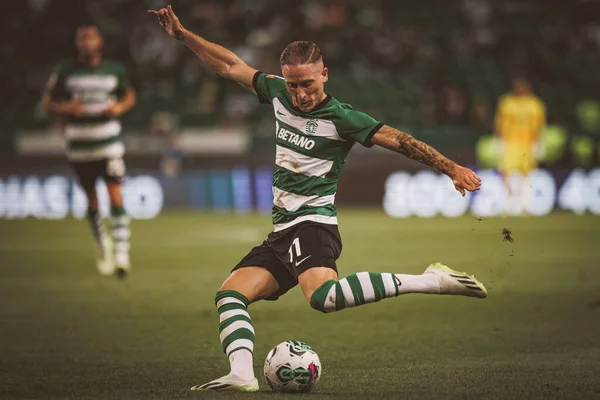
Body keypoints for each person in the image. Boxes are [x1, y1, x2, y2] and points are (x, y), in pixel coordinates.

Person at [149, 5, 485, 392]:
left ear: (324, 74)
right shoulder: (277, 93)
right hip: (282, 231)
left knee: (323, 298)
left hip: (312, 224)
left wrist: (451, 168)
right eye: (293, 84)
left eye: (308, 83)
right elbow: (229, 65)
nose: (301, 93)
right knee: (229, 295)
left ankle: (431, 281)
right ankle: (242, 374)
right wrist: (184, 35)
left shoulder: (342, 117)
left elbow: (400, 141)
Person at [43, 23, 136, 278]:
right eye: (82, 38)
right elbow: (48, 102)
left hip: (109, 144)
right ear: (77, 43)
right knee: (92, 201)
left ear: (99, 42)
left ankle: (121, 253)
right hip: (80, 148)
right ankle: (102, 243)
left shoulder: (114, 70)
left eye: (90, 38)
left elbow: (129, 96)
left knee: (116, 195)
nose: (86, 42)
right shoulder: (65, 71)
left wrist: (118, 108)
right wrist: (66, 109)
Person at [494, 78, 546, 211]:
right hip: (510, 143)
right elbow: (500, 124)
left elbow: (539, 126)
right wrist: (499, 141)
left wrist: (538, 143)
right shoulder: (507, 103)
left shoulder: (535, 104)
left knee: (527, 174)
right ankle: (507, 200)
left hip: (527, 144)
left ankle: (524, 203)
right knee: (505, 172)